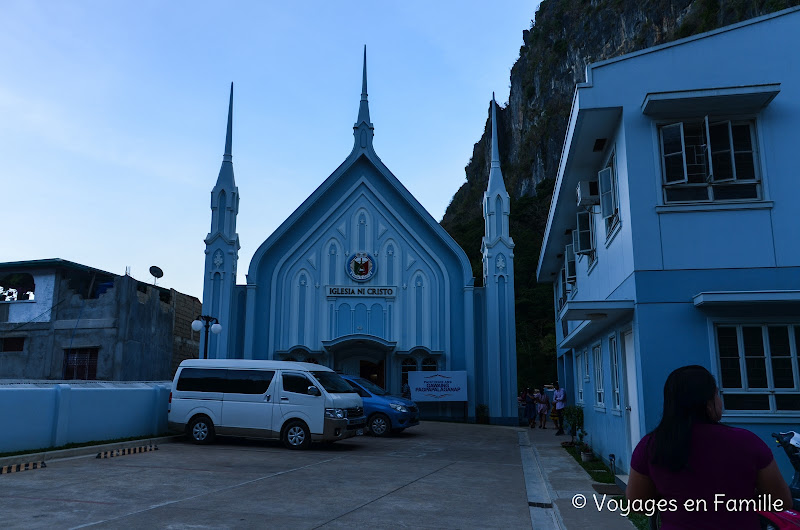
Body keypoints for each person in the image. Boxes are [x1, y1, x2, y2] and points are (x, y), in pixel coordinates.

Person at [626, 365, 791, 529]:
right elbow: (781, 501)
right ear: (707, 402)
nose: (720, 401)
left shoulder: (651, 445)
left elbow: (637, 505)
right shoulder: (747, 441)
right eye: (717, 395)